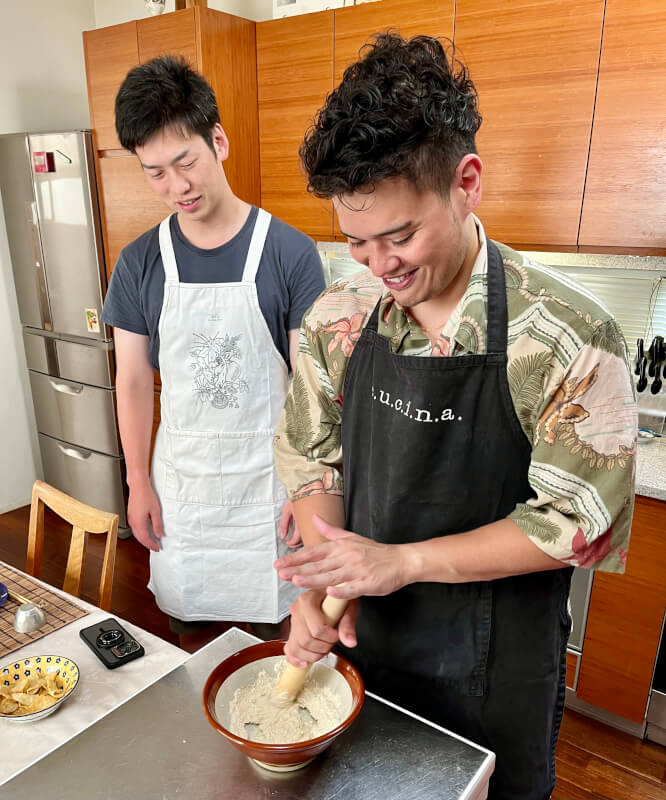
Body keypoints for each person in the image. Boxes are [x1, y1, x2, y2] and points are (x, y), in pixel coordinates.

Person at [272, 34, 637, 799]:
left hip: (496, 671)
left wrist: (399, 562)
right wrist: (327, 577)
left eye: (400, 234)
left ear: (466, 181)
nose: (380, 266)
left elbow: (575, 523)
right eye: (355, 242)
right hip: (366, 646)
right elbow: (313, 459)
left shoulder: (569, 336)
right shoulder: (339, 318)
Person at [101, 55, 325, 649]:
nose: (177, 187)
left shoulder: (289, 254)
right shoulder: (139, 263)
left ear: (218, 141)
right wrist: (138, 481)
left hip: (268, 491)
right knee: (187, 644)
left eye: (186, 161)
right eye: (155, 173)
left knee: (277, 644)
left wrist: (310, 487)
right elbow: (130, 381)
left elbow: (312, 386)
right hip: (184, 494)